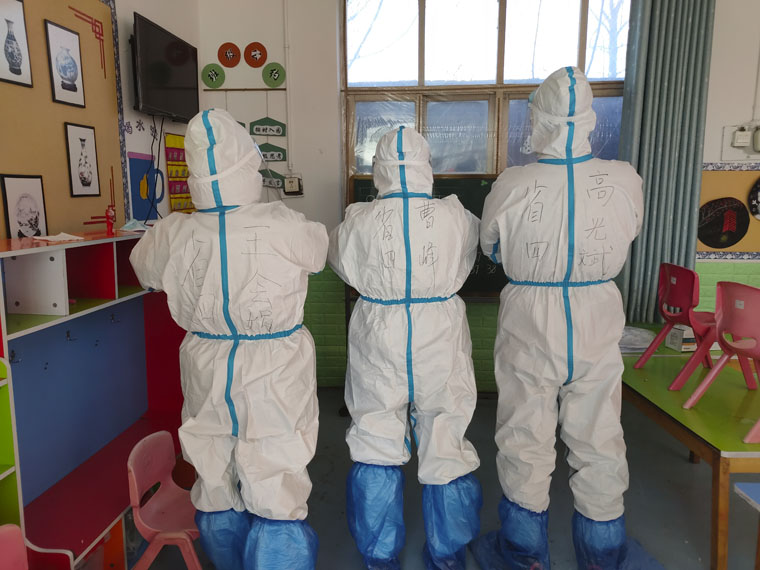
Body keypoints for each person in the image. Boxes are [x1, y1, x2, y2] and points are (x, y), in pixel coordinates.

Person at [130, 109, 328, 570]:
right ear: (247, 164)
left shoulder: (173, 231)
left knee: (213, 467)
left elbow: (144, 269)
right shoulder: (282, 222)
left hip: (206, 361)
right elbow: (318, 252)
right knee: (276, 465)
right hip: (276, 363)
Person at [472, 66, 650, 570]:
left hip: (531, 313)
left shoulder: (514, 183)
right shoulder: (625, 178)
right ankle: (602, 552)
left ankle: (524, 551)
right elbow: (631, 230)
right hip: (596, 311)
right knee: (599, 433)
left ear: (540, 119)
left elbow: (491, 245)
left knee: (524, 432)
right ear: (589, 118)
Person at [328, 126, 483, 570]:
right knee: (446, 432)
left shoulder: (357, 221)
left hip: (379, 329)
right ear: (426, 167)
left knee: (375, 434)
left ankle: (379, 556)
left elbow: (340, 263)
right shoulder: (456, 216)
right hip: (440, 330)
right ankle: (448, 554)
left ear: (378, 169)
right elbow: (471, 253)